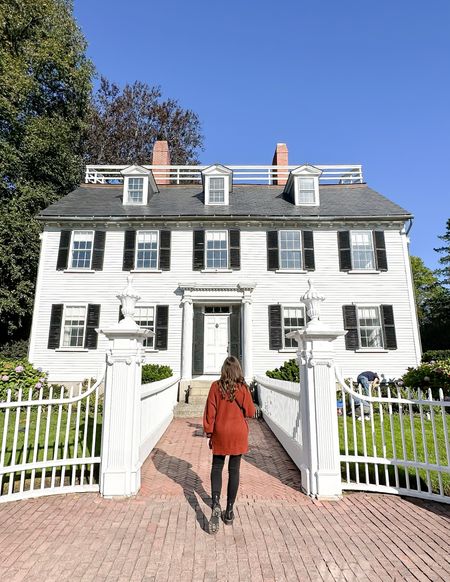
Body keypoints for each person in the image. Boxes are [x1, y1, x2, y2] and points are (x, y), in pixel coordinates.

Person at [203, 356, 256, 534]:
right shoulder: (242, 388)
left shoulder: (215, 387)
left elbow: (210, 412)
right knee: (234, 470)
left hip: (221, 431)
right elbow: (250, 411)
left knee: (217, 467)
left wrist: (209, 431)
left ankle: (216, 502)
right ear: (238, 370)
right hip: (238, 433)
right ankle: (230, 510)